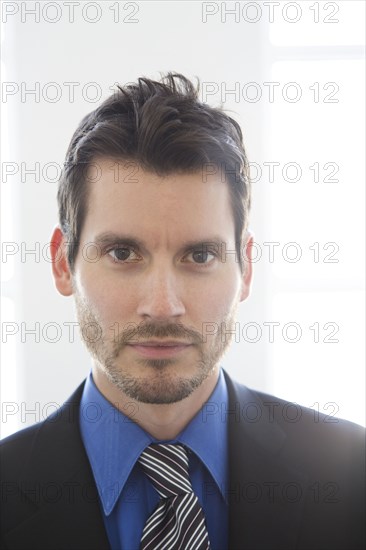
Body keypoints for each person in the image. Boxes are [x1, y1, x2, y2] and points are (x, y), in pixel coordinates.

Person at [0, 73, 364, 550]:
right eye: (123, 254)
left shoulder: (353, 478)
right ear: (61, 263)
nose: (163, 305)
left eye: (200, 256)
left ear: (246, 267)